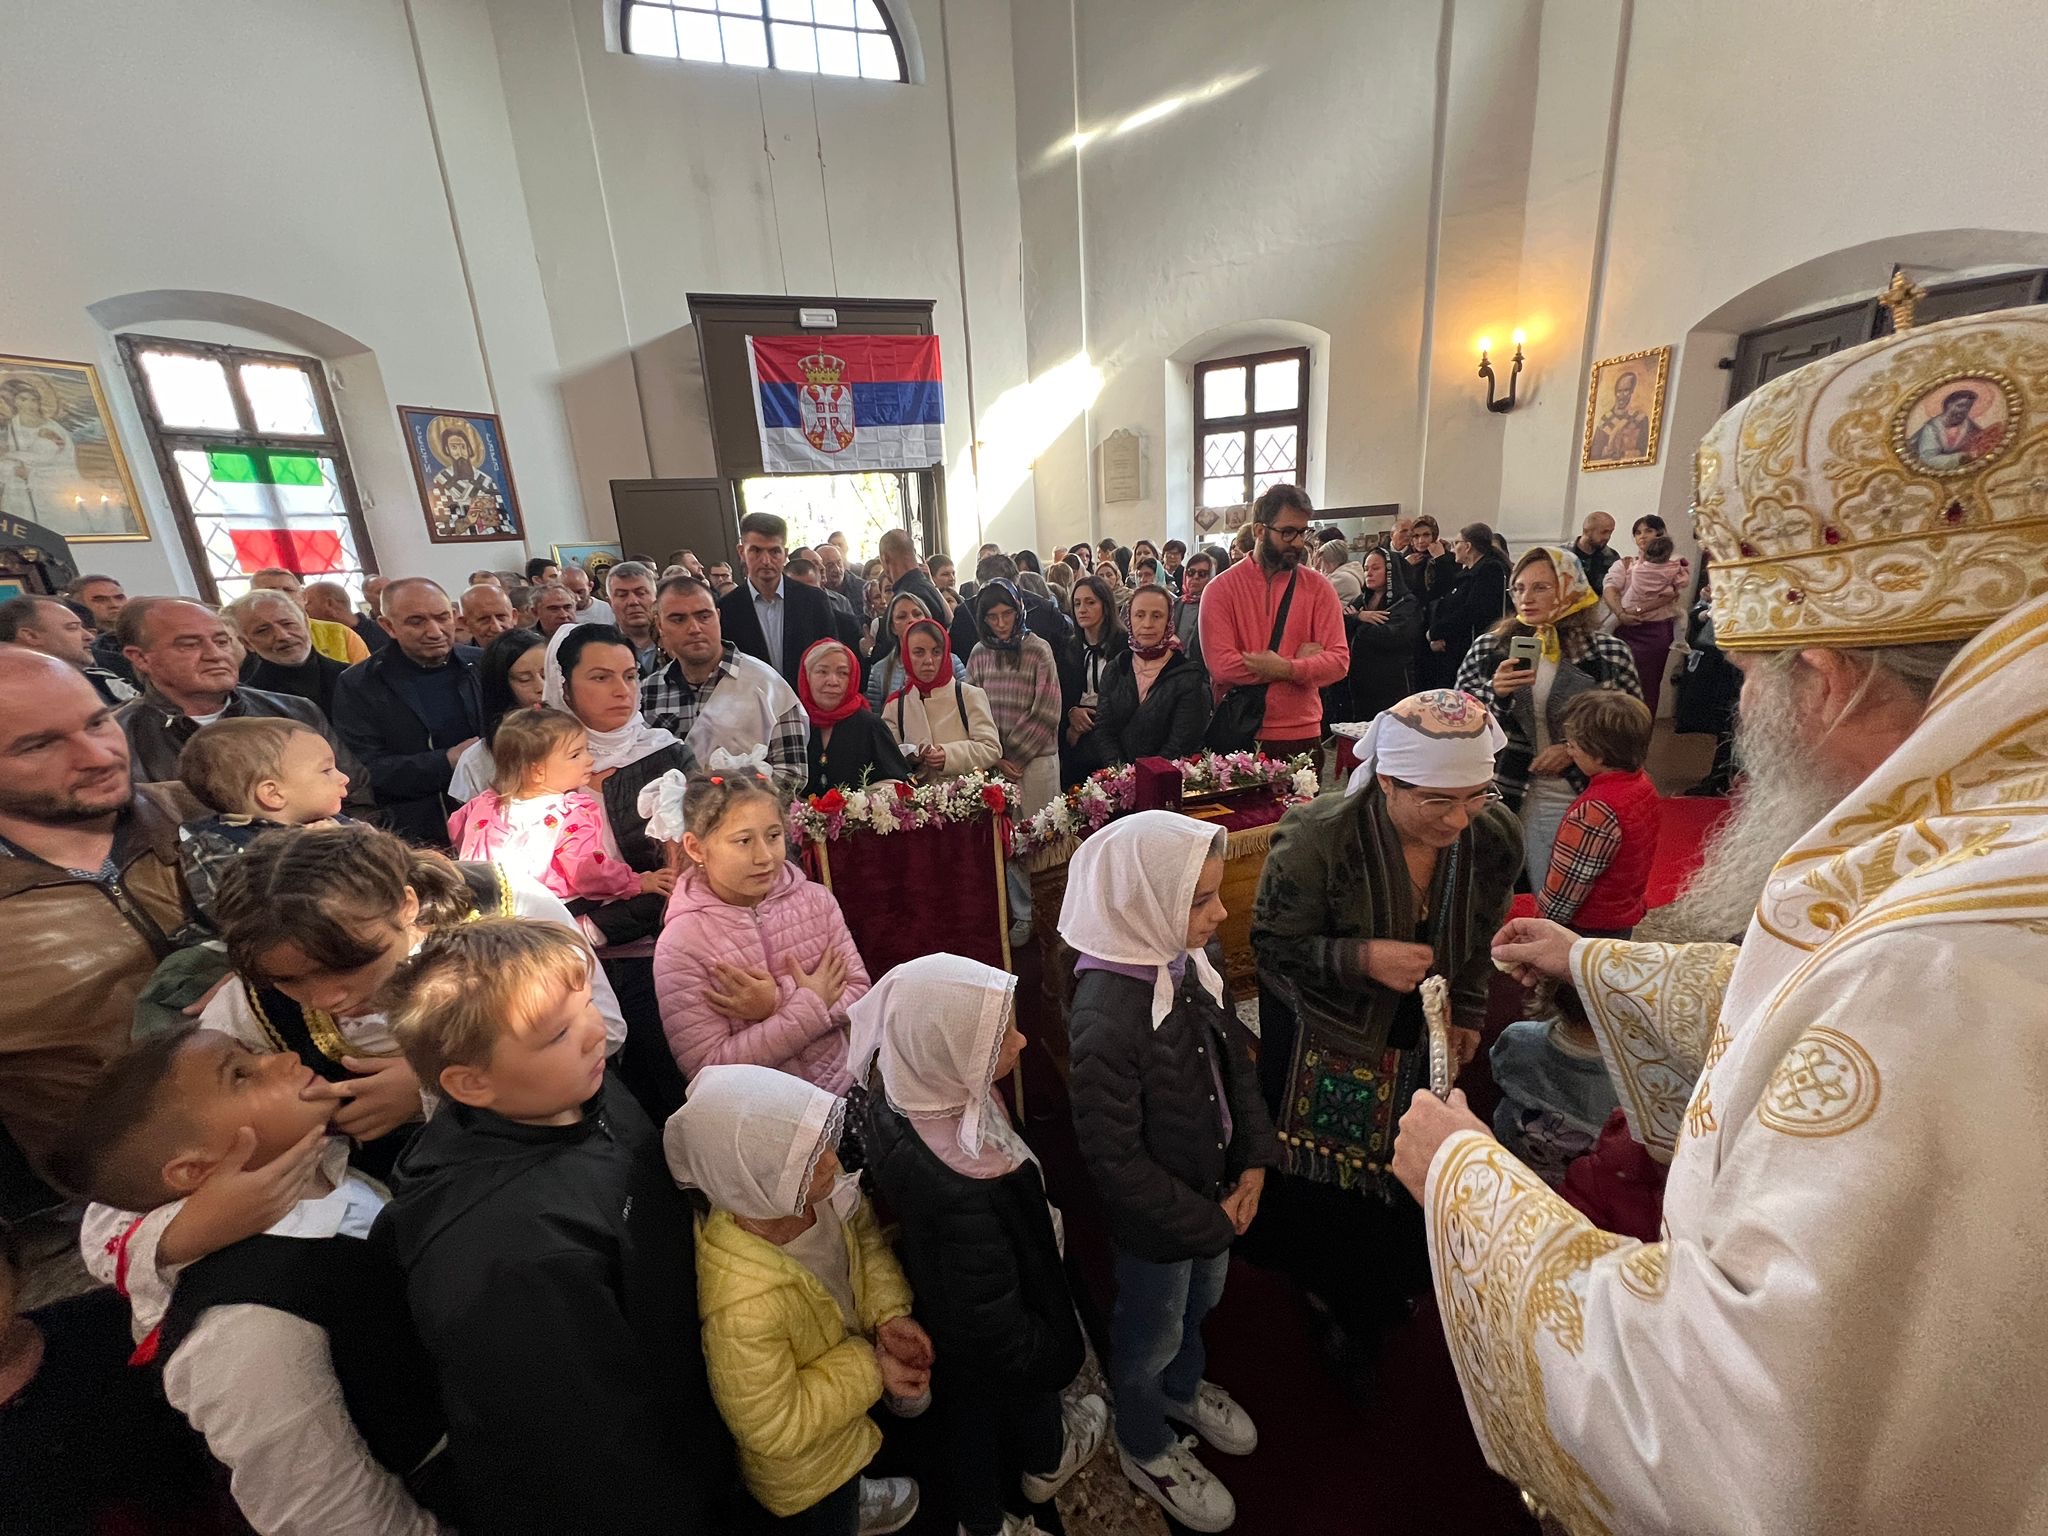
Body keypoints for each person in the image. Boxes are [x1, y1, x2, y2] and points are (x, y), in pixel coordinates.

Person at [1392, 302, 2048, 1536]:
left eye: (1748, 671)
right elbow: (1807, 1022)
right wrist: (1592, 959)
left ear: (1827, 679)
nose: (1736, 705)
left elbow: (1743, 1435)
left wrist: (1463, 1179)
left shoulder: (1941, 964)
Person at [376, 919, 735, 1532]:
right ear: (471, 1082)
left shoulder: (577, 1092)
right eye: (559, 1033)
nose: (595, 1032)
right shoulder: (506, 1256)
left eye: (586, 1003)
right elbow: (587, 1448)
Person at [50, 1028, 457, 1536]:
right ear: (193, 1170)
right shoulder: (244, 1325)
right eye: (241, 1075)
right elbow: (326, 1508)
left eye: (255, 1053)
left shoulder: (327, 1167)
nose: (283, 1059)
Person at [1248, 690, 1520, 1377]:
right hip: (1331, 1035)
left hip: (1424, 1032)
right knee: (1333, 1192)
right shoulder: (1318, 838)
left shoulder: (1493, 835)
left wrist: (1468, 1009)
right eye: (1437, 802)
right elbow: (1271, 949)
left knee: (1407, 1175)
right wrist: (1362, 958)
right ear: (1388, 782)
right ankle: (1332, 1298)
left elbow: (1479, 934)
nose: (1458, 819)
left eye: (1476, 797)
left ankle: (1392, 1282)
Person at [1061, 813, 1277, 1533]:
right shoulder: (1105, 1015)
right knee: (1150, 1333)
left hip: (1215, 1194)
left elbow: (1234, 1068)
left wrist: (1253, 1161)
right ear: (1144, 902)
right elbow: (1115, 1162)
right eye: (1202, 900)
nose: (1221, 915)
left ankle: (1183, 1390)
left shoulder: (1188, 957)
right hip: (1161, 1226)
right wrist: (1207, 1221)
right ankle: (1143, 1440)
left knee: (1199, 1305)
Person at [852, 955, 1107, 1536]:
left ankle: (1015, 1479)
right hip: (1000, 1315)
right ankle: (1025, 1481)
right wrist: (1051, 1354)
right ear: (949, 1053)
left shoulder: (905, 1083)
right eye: (1001, 1038)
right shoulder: (973, 1185)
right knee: (995, 1403)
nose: (1022, 1040)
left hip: (946, 1295)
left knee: (970, 1406)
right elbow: (998, 1324)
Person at [666, 1065, 925, 1535]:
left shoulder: (813, 1188)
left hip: (840, 1413)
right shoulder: (742, 1309)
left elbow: (863, 1241)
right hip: (807, 1473)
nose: (831, 1161)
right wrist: (873, 1367)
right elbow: (775, 1426)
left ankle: (856, 1494)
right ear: (755, 1183)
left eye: (821, 1142)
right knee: (832, 1512)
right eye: (807, 1159)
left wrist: (886, 1313)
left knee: (849, 1467)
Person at [0, 648, 200, 1186]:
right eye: (38, 745)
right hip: (116, 1191)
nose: (98, 755)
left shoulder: (212, 808)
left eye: (97, 721)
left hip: (320, 1112)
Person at [655, 766, 868, 1092]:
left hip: (843, 1089)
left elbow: (859, 993)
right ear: (696, 848)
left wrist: (777, 1002)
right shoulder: (682, 942)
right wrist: (808, 1006)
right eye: (743, 841)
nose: (765, 856)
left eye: (773, 836)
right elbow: (707, 1068)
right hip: (764, 1112)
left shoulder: (816, 901)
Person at [1455, 544, 1641, 889]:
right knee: (1494, 888)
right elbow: (1458, 721)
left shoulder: (1608, 652)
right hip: (1504, 785)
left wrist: (1573, 748)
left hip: (1580, 789)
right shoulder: (1490, 647)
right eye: (1519, 588)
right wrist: (1495, 693)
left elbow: (1630, 732)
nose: (1526, 598)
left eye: (1541, 587)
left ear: (1572, 587)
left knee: (1563, 893)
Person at [449, 706, 672, 910]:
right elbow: (587, 871)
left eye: (586, 750)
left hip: (487, 909)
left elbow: (456, 829)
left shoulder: (483, 805)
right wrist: (635, 882)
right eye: (576, 754)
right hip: (549, 911)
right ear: (538, 771)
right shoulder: (569, 814)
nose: (589, 759)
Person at [116, 599, 338, 785]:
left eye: (222, 642)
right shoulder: (118, 737)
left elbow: (351, 799)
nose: (215, 654)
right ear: (141, 658)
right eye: (190, 645)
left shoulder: (296, 712)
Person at [330, 579, 483, 847]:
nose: (435, 631)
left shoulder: (480, 663)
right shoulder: (360, 683)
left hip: (491, 818)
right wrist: (446, 760)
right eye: (417, 621)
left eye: (442, 618)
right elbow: (365, 770)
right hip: (416, 828)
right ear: (388, 626)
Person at [1199, 484, 1349, 755]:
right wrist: (1302, 665)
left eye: (1303, 532)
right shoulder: (1220, 589)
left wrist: (1285, 668)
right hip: (1240, 731)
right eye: (1288, 532)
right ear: (1259, 530)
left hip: (1302, 732)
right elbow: (1222, 666)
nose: (1298, 542)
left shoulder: (1319, 587)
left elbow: (1338, 662)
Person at [640, 575, 806, 800]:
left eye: (704, 616)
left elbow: (791, 775)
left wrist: (727, 814)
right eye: (678, 619)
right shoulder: (647, 692)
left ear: (717, 617)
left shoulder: (766, 684)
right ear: (660, 625)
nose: (694, 628)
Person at [173, 717, 351, 926]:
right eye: (327, 771)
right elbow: (244, 914)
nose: (344, 778)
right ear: (273, 794)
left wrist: (353, 843)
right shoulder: (215, 844)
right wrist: (318, 851)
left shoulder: (335, 823)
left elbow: (384, 870)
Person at [965, 583, 1062, 941]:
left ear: (1019, 611)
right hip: (996, 761)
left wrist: (1014, 755)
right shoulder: (978, 654)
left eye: (1007, 614)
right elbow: (971, 708)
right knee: (1008, 841)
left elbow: (1048, 708)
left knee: (1041, 837)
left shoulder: (1038, 649)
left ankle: (1051, 909)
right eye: (993, 617)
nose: (1002, 623)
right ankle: (1023, 913)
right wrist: (996, 756)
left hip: (1035, 761)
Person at [1536, 690, 1660, 936]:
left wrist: (1542, 923)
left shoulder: (1595, 810)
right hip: (1622, 915)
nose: (1570, 753)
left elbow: (1567, 887)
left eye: (1573, 746)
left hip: (1587, 926)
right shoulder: (1643, 783)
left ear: (1599, 755)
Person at [1485, 986, 1618, 1187]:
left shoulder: (1517, 1038)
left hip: (1503, 1170)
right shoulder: (1632, 1082)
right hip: (1574, 1195)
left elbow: (1497, 1074)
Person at [1080, 584, 1209, 772]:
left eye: (1157, 616)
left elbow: (1181, 742)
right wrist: (1121, 774)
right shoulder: (1116, 668)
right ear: (1129, 619)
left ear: (1169, 620)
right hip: (1119, 777)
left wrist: (1145, 777)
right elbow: (1104, 729)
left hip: (1169, 777)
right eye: (1140, 615)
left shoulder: (1188, 675)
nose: (1147, 624)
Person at [721, 512, 839, 688]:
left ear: (785, 554)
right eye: (756, 550)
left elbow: (830, 658)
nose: (766, 561)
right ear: (741, 552)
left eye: (774, 551)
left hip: (806, 701)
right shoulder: (727, 609)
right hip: (751, 702)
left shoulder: (814, 601)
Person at [881, 617, 1000, 780]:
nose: (928, 661)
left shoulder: (969, 695)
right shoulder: (895, 705)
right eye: (918, 652)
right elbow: (886, 757)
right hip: (915, 794)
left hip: (965, 793)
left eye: (936, 652)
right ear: (906, 655)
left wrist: (949, 755)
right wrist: (910, 758)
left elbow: (991, 748)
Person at [798, 639, 911, 795]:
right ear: (806, 676)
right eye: (822, 672)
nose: (833, 681)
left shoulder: (870, 726)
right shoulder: (794, 723)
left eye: (842, 673)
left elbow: (900, 783)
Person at [447, 628, 548, 802]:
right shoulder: (477, 760)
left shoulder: (585, 740)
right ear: (501, 687)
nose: (541, 687)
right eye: (524, 679)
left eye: (546, 675)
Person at [1604, 525, 1691, 714]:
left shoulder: (1673, 565)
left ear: (1660, 534)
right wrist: (1620, 613)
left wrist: (1634, 611)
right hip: (1625, 629)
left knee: (1648, 684)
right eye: (1637, 532)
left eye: (1648, 531)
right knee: (1615, 682)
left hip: (1655, 631)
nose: (1643, 536)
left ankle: (1642, 727)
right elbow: (1610, 589)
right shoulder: (1625, 563)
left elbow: (1671, 595)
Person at [225, 589, 350, 718]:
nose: (283, 636)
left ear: (305, 623)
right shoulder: (249, 701)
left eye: (288, 624)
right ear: (247, 643)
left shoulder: (354, 678)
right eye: (263, 630)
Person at [1418, 521, 1509, 690]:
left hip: (1473, 651)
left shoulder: (1490, 570)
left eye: (1456, 544)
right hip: (1454, 650)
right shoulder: (1468, 573)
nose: (1452, 550)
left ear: (1467, 546)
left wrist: (1436, 632)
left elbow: (1471, 611)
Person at [0, 593, 136, 704]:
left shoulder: (101, 679)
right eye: (72, 628)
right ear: (31, 636)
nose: (89, 637)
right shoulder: (11, 698)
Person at [1057, 574, 1127, 783]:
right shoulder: (1069, 647)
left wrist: (1093, 722)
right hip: (1076, 735)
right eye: (1077, 603)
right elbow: (1060, 692)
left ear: (1105, 605)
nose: (1082, 609)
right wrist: (1071, 713)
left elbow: (1127, 696)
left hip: (1114, 733)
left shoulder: (1124, 645)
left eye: (1090, 602)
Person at [1344, 546, 1423, 719]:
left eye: (1375, 568)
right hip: (1359, 680)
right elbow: (1341, 624)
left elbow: (1391, 636)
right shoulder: (1362, 600)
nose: (1369, 573)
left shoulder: (1406, 602)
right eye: (1366, 569)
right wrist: (1360, 617)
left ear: (1390, 571)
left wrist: (1357, 622)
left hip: (1391, 681)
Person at [948, 553, 1068, 664]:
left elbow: (1064, 658)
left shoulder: (1043, 610)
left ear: (1016, 584)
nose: (1000, 623)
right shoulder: (965, 613)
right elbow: (959, 660)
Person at [247, 568, 370, 665]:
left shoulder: (340, 634)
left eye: (288, 590)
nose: (282, 596)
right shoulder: (244, 641)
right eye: (271, 591)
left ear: (304, 597)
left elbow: (365, 680)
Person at [864, 591, 960, 710]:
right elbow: (876, 717)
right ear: (892, 627)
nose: (911, 620)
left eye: (917, 614)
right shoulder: (879, 671)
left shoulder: (952, 662)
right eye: (902, 616)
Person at [70, 572, 138, 684]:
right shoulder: (79, 648)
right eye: (100, 600)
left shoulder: (144, 637)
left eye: (119, 598)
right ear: (79, 606)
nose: (114, 605)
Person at [606, 560, 662, 667]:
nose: (633, 601)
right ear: (610, 603)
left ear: (656, 597)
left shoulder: (675, 639)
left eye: (641, 593)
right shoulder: (603, 645)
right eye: (622, 595)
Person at [1171, 550, 1214, 675]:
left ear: (1211, 577)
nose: (1195, 577)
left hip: (1202, 673)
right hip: (1174, 670)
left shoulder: (1215, 606)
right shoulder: (1174, 604)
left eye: (1202, 574)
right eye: (1190, 572)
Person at [1569, 511, 1620, 596]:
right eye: (1604, 532)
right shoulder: (1562, 553)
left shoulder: (1612, 557)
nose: (1607, 537)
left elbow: (1615, 589)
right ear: (1587, 531)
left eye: (1610, 532)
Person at [457, 582, 521, 648]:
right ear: (465, 624)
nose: (497, 628)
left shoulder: (528, 649)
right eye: (484, 620)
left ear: (514, 616)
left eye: (501, 617)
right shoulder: (457, 654)